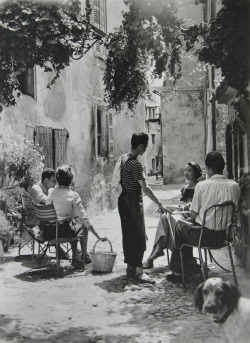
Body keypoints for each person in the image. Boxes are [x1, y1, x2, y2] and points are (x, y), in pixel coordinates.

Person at [166, 151, 240, 283]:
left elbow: (193, 215)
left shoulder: (202, 186)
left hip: (203, 237)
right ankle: (189, 265)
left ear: (209, 169)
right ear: (222, 168)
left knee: (179, 227)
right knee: (186, 227)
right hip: (224, 237)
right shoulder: (235, 186)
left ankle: (178, 272)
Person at [118, 132, 166, 284]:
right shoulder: (135, 164)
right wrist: (159, 203)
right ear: (140, 146)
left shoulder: (123, 159)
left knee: (129, 235)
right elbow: (145, 188)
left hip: (123, 201)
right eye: (145, 146)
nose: (145, 149)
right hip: (132, 202)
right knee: (138, 235)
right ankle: (139, 271)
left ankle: (130, 267)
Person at [143, 161, 202, 269]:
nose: (186, 173)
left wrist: (182, 208)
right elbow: (182, 206)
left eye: (190, 170)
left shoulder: (199, 187)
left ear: (196, 172)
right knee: (164, 216)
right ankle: (157, 251)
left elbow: (194, 208)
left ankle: (156, 252)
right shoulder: (185, 188)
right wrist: (166, 207)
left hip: (191, 219)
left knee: (165, 219)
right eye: (185, 170)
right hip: (183, 215)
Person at [46, 165, 106, 269]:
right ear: (71, 180)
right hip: (62, 232)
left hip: (48, 232)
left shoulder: (50, 192)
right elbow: (85, 219)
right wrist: (98, 236)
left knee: (71, 223)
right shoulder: (73, 195)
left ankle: (76, 256)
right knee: (81, 226)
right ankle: (82, 256)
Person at [27, 168, 70, 260]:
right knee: (60, 222)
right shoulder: (36, 188)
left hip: (45, 218)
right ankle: (62, 249)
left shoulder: (50, 188)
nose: (55, 184)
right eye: (53, 181)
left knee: (60, 220)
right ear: (45, 180)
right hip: (35, 221)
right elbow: (47, 201)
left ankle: (64, 249)